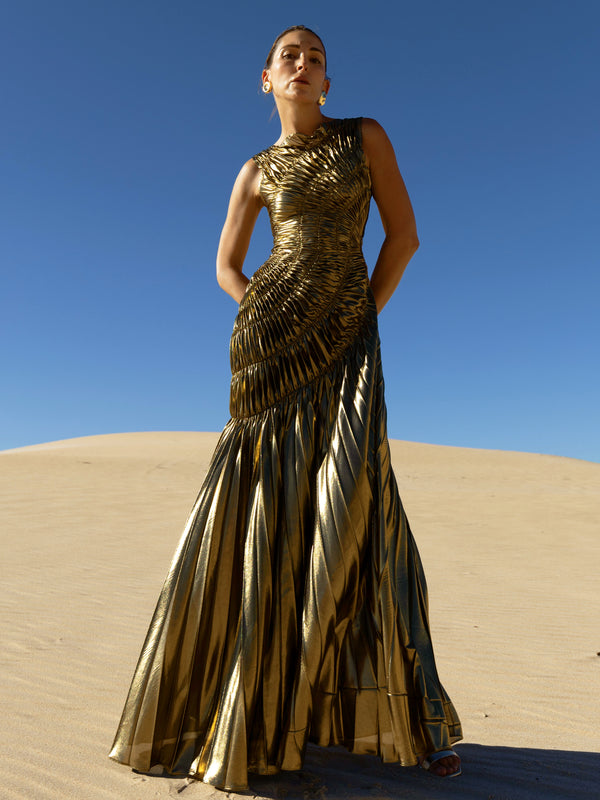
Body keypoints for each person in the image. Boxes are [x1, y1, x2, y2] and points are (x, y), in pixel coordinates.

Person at [109, 24, 462, 790]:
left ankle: (412, 717)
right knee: (263, 515)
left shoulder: (363, 137)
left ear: (327, 83)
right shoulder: (255, 170)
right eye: (290, 57)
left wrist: (358, 314)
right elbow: (226, 265)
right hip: (268, 349)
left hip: (346, 341)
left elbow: (402, 237)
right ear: (266, 79)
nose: (305, 65)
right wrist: (255, 312)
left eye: (318, 59)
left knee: (360, 513)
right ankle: (253, 716)